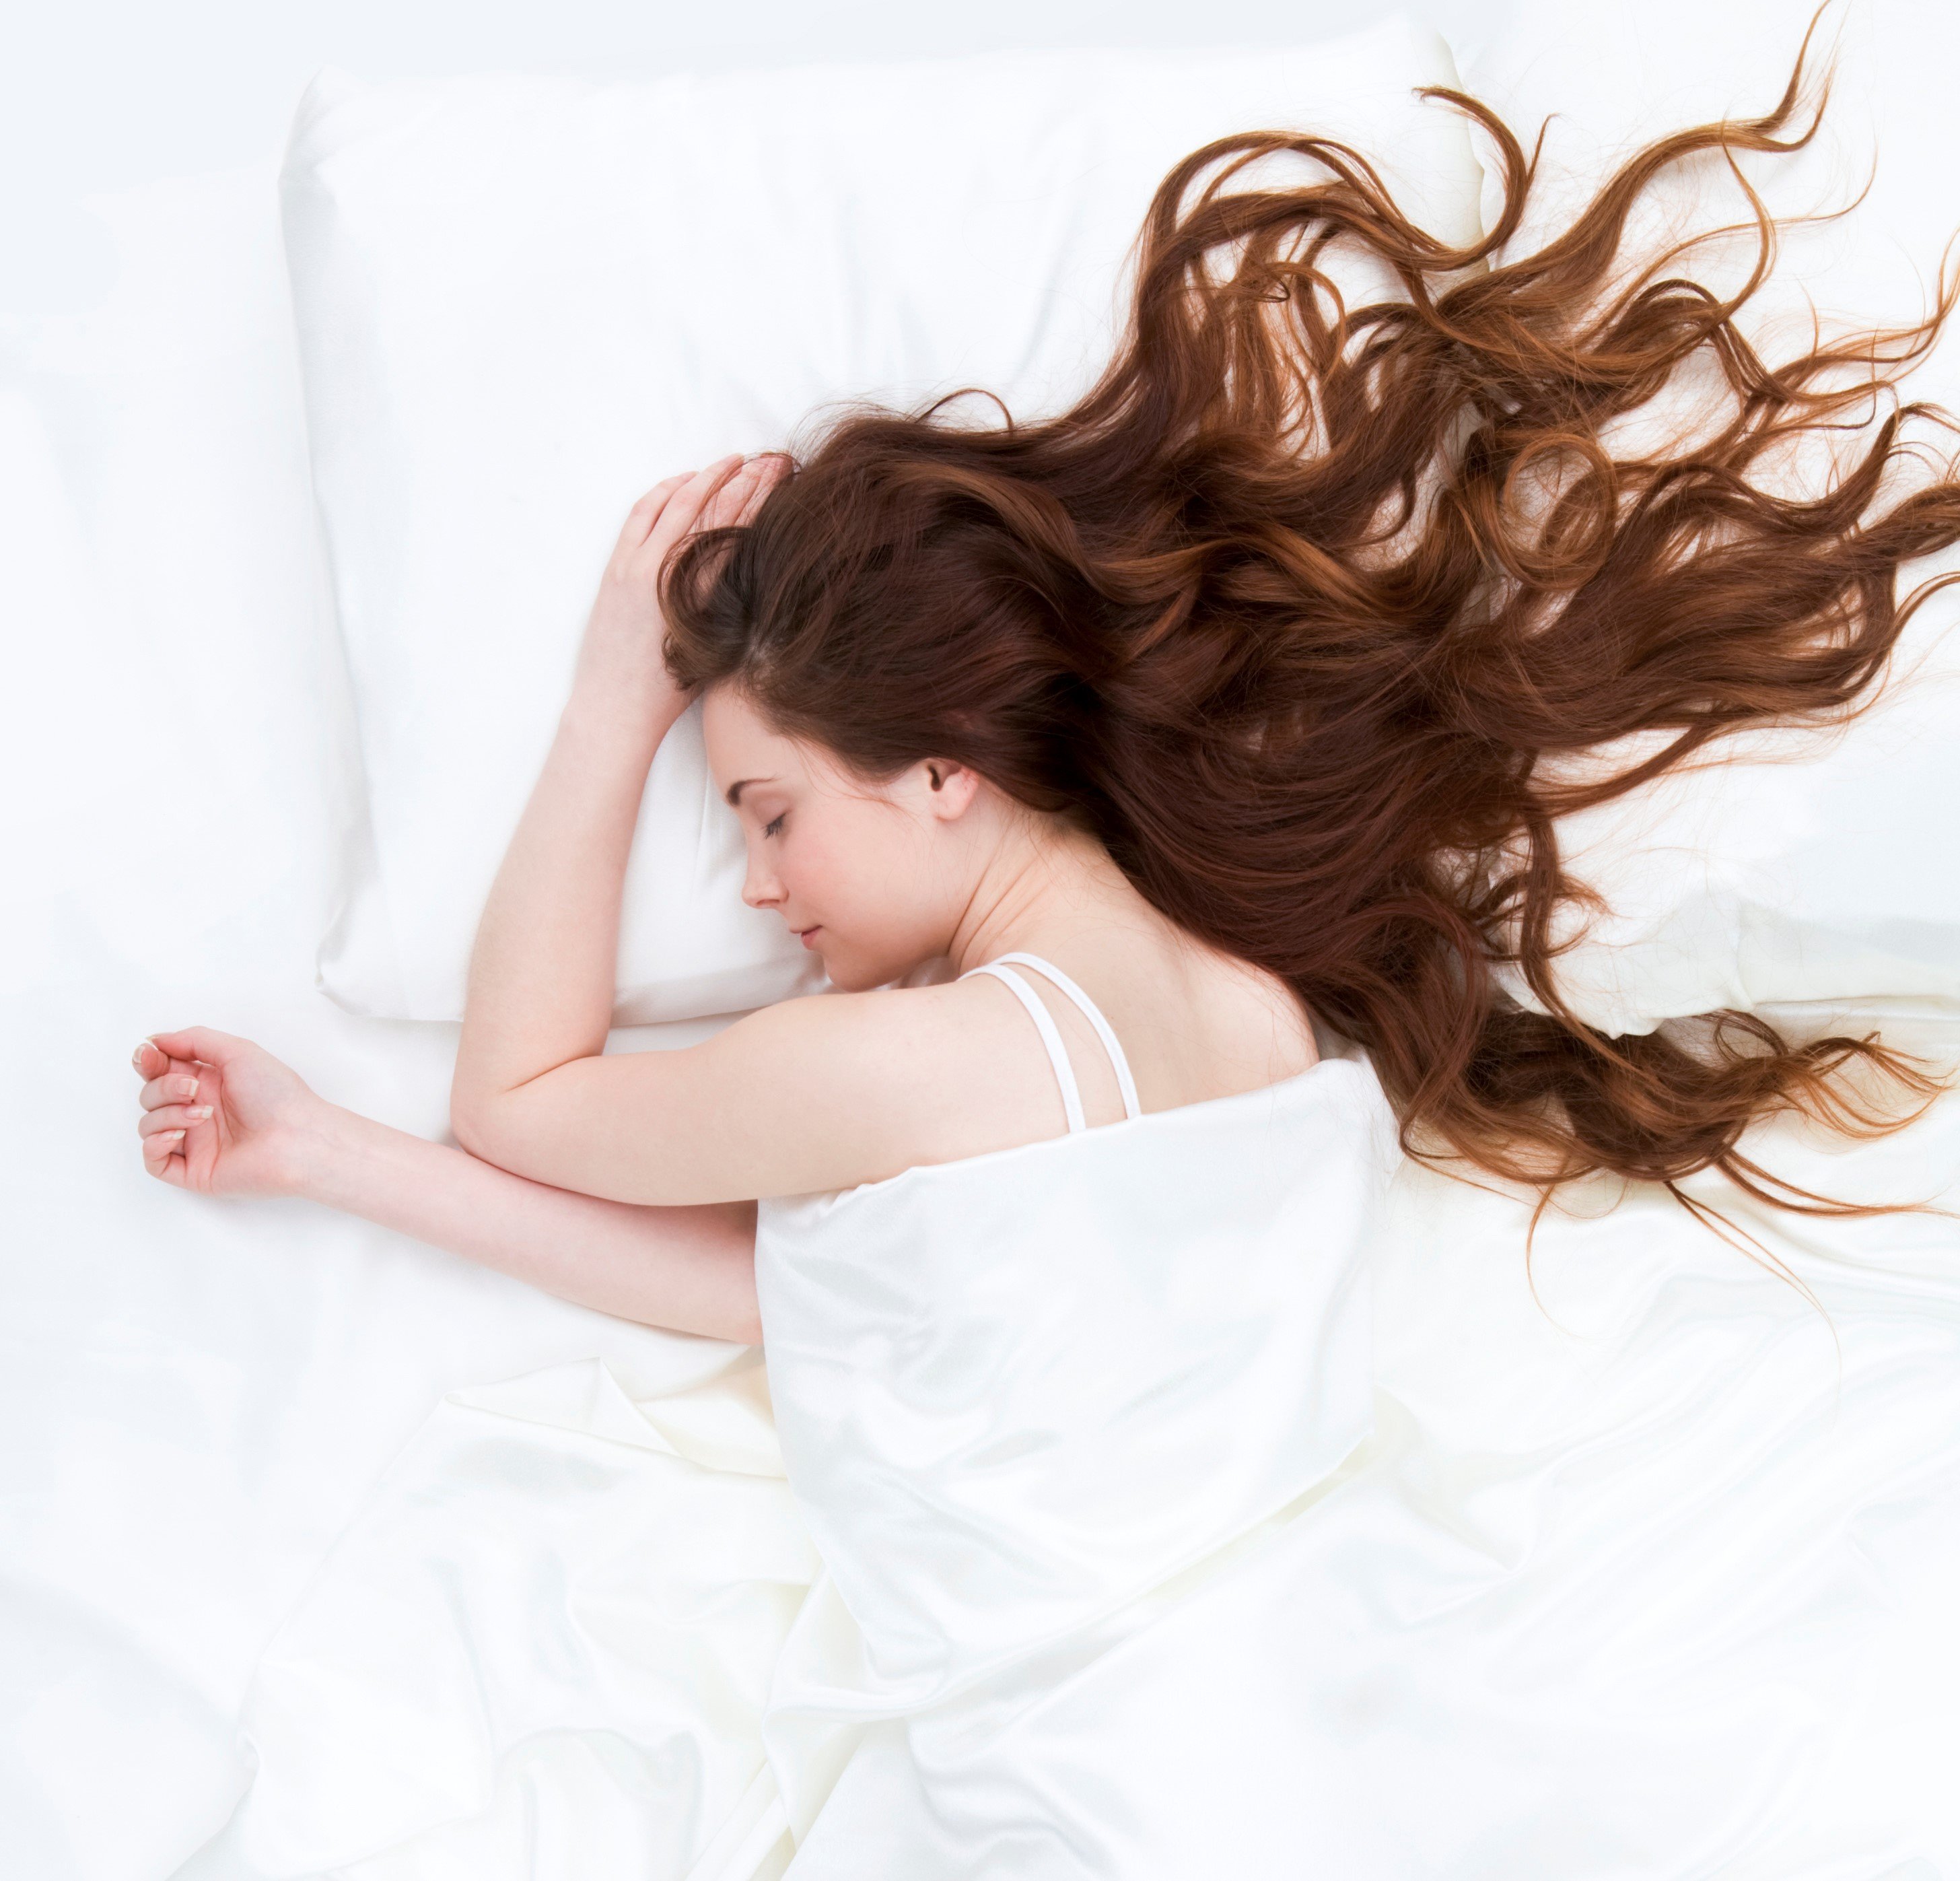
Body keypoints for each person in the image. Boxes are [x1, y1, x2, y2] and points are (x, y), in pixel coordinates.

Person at [133, 28, 1957, 1344]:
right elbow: (804, 1305)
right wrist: (326, 1152)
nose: (757, 885)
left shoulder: (913, 1060)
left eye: (767, 811)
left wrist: (616, 696)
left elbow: (521, 1095)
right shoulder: (1245, 999)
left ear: (943, 772)